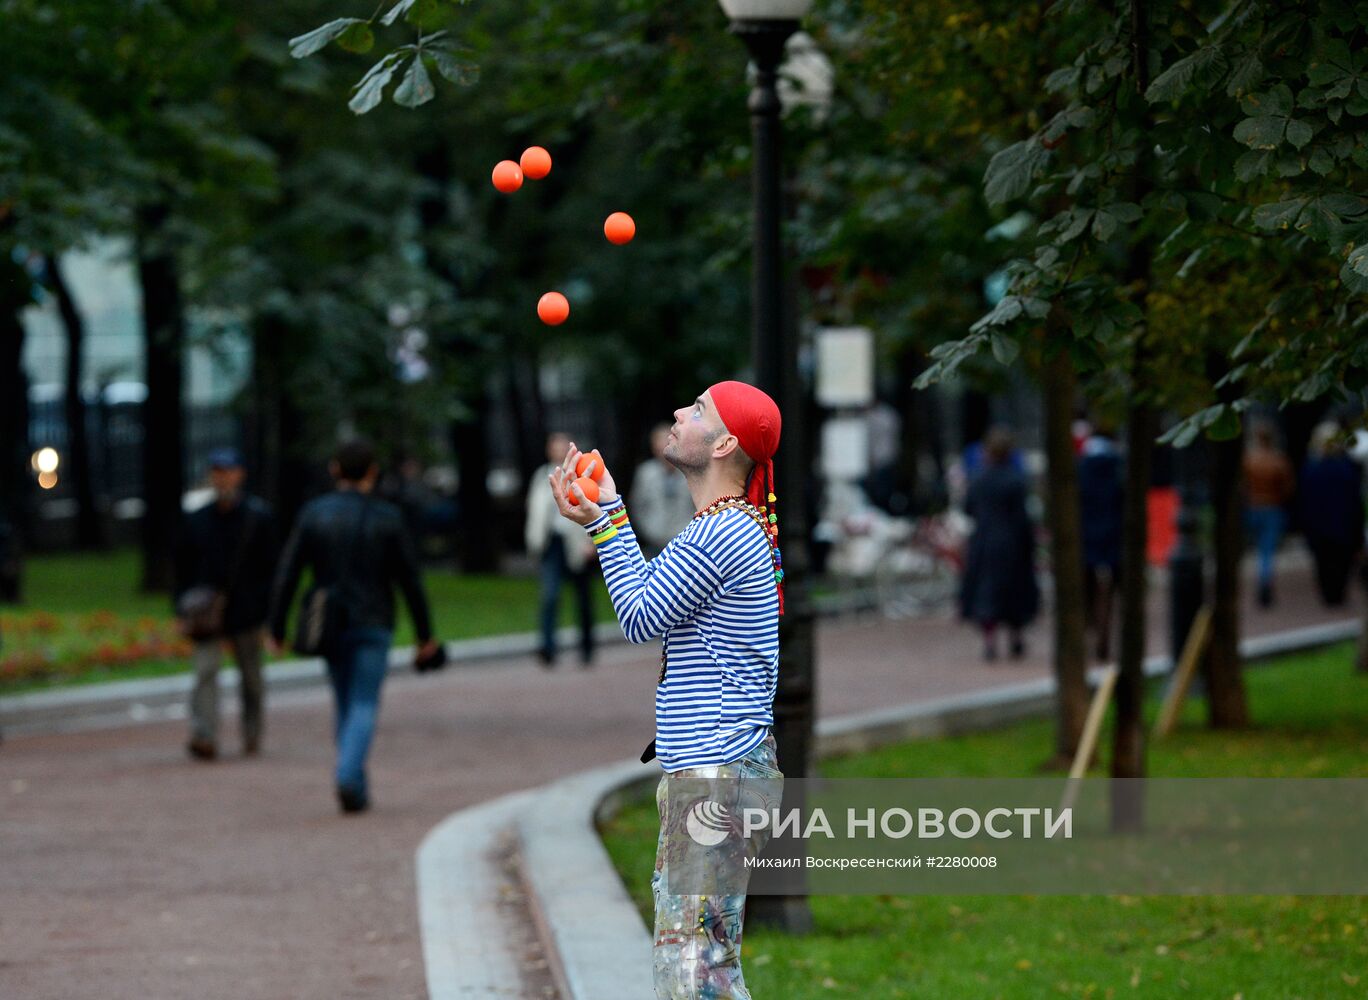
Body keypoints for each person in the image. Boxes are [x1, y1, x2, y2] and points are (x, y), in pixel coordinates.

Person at [549, 381, 785, 1000]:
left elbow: (639, 614)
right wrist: (608, 514)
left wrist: (604, 524)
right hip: (717, 771)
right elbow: (654, 599)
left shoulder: (723, 531)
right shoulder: (723, 527)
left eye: (699, 408)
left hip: (718, 774)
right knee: (704, 970)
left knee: (691, 973)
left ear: (725, 443)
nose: (680, 411)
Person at [268, 439, 438, 813]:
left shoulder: (314, 514)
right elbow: (410, 579)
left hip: (328, 622)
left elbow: (289, 571)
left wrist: (276, 626)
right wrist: (425, 634)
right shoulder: (387, 517)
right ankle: (348, 777)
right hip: (374, 622)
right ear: (373, 472)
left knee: (344, 701)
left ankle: (355, 783)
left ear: (335, 470)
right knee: (363, 701)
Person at [174, 447, 279, 760]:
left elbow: (271, 568)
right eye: (217, 471)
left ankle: (252, 733)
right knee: (205, 672)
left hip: (247, 609)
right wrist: (181, 608)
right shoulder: (197, 519)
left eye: (228, 470)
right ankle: (204, 734)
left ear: (240, 474)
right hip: (207, 610)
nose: (222, 477)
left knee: (252, 678)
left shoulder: (258, 518)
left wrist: (268, 613)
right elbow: (183, 568)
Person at [959, 426, 1039, 661]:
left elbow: (968, 507)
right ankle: (1016, 638)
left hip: (985, 542)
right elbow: (1023, 515)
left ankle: (989, 640)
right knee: (1014, 592)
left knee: (987, 592)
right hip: (1013, 543)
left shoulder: (979, 478)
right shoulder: (1016, 480)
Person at [525, 431, 598, 667]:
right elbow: (534, 511)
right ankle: (547, 648)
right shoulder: (541, 475)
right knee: (549, 596)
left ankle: (587, 647)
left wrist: (591, 542)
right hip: (551, 543)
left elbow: (593, 507)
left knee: (583, 598)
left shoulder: (581, 475)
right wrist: (534, 541)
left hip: (577, 542)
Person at [1299, 421, 1364, 607]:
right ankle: (1336, 596)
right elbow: (1354, 502)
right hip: (1341, 527)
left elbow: (1305, 503)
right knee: (1339, 564)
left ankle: (1331, 597)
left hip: (1321, 528)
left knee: (1325, 564)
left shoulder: (1312, 469)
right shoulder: (1345, 468)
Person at [1077, 425, 1124, 661]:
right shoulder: (1119, 465)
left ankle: (1091, 629)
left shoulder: (1080, 466)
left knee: (1087, 589)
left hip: (1085, 538)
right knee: (1109, 594)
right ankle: (1103, 636)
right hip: (1113, 537)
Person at [1242, 421, 1295, 607]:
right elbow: (1288, 488)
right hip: (1272, 507)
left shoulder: (1249, 460)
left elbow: (1243, 487)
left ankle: (1263, 581)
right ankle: (1265, 582)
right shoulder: (1277, 461)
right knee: (1267, 550)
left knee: (1261, 550)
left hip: (1255, 507)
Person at [629, 423, 696, 558]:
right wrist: (649, 530)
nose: (663, 446)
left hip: (685, 539)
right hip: (654, 540)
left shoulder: (690, 472)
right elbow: (637, 506)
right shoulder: (645, 473)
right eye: (658, 442)